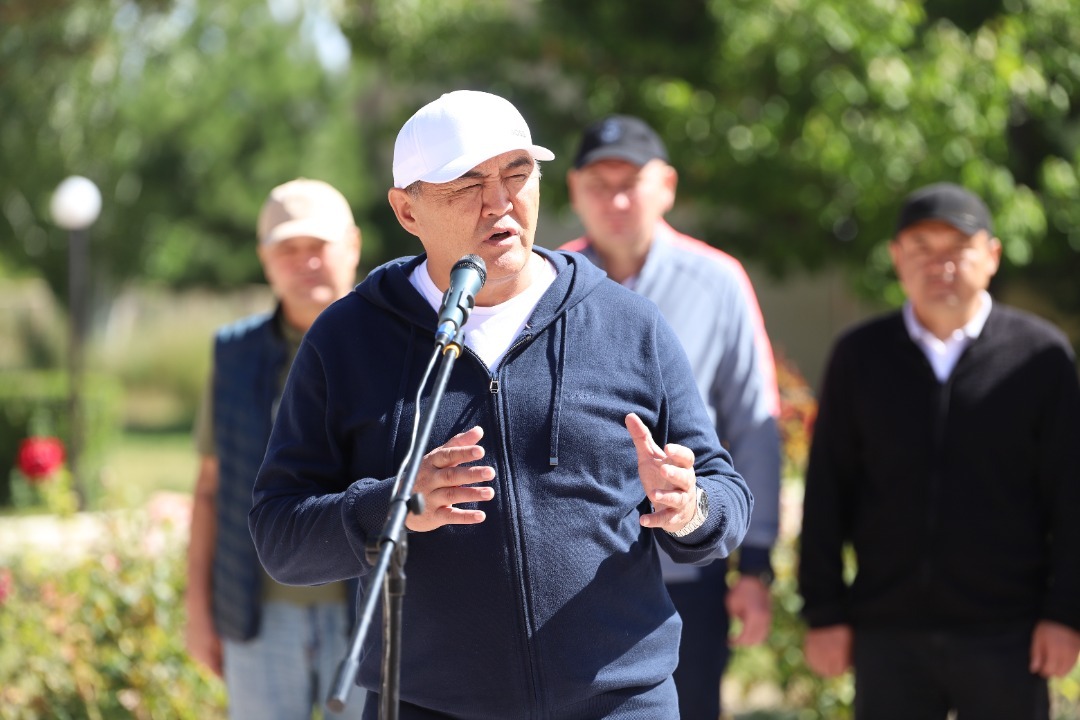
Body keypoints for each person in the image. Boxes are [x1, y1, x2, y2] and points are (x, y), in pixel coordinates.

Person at [248, 89, 755, 720]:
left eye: (518, 174)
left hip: (621, 702)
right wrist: (393, 506)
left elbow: (724, 492)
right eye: (467, 185)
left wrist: (690, 507)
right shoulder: (347, 340)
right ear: (407, 210)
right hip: (430, 707)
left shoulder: (627, 323)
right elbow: (280, 535)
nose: (499, 202)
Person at [798, 182, 1080, 719]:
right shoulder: (860, 356)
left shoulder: (1039, 357)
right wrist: (824, 611)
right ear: (896, 257)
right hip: (888, 631)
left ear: (992, 256)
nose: (939, 265)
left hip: (1008, 633)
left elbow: (1071, 494)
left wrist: (1066, 612)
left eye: (958, 248)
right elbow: (829, 488)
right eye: (921, 248)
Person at [563, 115, 781, 720]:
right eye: (599, 185)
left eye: (630, 183)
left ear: (667, 186)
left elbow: (753, 420)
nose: (616, 200)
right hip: (573, 572)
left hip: (686, 566)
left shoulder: (717, 281)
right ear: (574, 190)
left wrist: (756, 563)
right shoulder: (546, 283)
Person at [185, 178, 365, 719]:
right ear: (265, 260)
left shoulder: (398, 344)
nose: (305, 262)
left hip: (368, 609)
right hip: (258, 615)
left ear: (353, 246)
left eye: (319, 246)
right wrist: (197, 610)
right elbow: (210, 488)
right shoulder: (233, 353)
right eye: (288, 248)